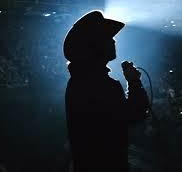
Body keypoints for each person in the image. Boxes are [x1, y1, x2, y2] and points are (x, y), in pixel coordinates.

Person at [63, 10, 150, 172]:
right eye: (108, 38)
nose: (114, 41)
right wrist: (134, 81)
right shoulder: (103, 86)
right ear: (95, 45)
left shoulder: (76, 83)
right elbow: (136, 114)